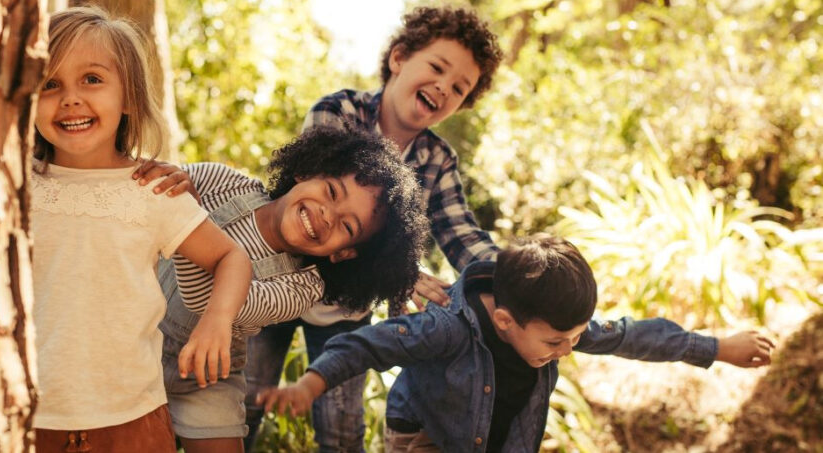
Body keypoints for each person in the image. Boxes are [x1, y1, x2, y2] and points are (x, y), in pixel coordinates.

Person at [242, 6, 506, 450]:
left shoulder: (436, 160)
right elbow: (311, 222)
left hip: (346, 308)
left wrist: (513, 277)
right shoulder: (338, 111)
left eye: (459, 88)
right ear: (399, 58)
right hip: (274, 283)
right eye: (437, 68)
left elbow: (461, 234)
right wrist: (404, 275)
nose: (444, 87)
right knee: (243, 403)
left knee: (343, 429)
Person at [256, 235, 775, 452]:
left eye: (574, 338)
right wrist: (311, 382)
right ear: (504, 320)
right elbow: (370, 344)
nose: (568, 350)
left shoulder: (552, 327)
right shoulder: (448, 329)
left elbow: (631, 335)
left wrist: (717, 347)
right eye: (556, 342)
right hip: (427, 438)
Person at [28, 7, 252, 452]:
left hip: (132, 421)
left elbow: (232, 257)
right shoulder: (11, 184)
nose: (70, 98)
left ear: (128, 95)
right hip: (30, 416)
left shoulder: (152, 190)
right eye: (50, 84)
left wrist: (217, 321)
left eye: (91, 79)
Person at [157, 125, 428, 453]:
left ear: (344, 253)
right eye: (331, 191)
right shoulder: (223, 182)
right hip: (134, 335)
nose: (328, 214)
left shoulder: (301, 288)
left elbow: (205, 300)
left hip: (205, 380)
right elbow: (150, 190)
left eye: (347, 226)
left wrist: (188, 218)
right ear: (305, 172)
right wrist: (166, 182)